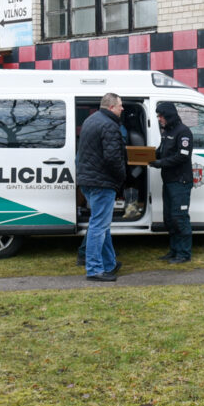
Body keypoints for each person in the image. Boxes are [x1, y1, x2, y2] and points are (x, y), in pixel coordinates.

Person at [76, 92, 127, 281]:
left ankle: (109, 263)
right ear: (112, 107)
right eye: (120, 105)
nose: (122, 108)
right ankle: (94, 269)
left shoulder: (91, 120)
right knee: (98, 226)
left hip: (88, 181)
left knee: (102, 225)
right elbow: (113, 158)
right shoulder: (110, 125)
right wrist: (122, 177)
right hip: (102, 182)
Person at [152, 101, 194, 263]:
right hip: (169, 181)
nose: (159, 118)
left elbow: (182, 156)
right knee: (169, 219)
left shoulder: (183, 132)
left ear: (169, 115)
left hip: (180, 182)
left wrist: (160, 163)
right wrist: (148, 155)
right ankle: (174, 250)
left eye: (161, 116)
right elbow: (161, 151)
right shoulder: (167, 131)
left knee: (179, 218)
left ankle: (184, 254)